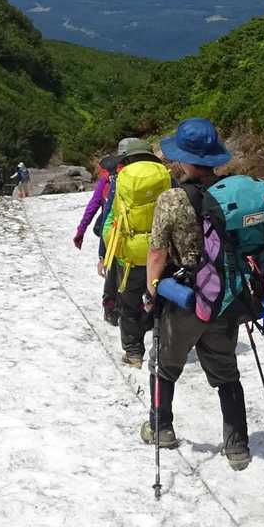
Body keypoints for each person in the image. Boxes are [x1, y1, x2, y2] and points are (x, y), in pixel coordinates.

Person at [141, 117, 252, 471]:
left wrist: (152, 289)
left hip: (186, 297)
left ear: (184, 159)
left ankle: (161, 428)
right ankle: (237, 444)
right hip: (225, 297)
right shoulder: (230, 193)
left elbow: (157, 252)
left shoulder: (172, 199)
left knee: (164, 363)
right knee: (226, 371)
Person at [99, 137, 168, 367]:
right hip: (161, 251)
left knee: (128, 305)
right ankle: (164, 349)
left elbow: (111, 215)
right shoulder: (165, 176)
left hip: (129, 254)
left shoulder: (122, 178)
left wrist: (109, 247)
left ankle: (134, 353)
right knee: (162, 301)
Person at [74, 153, 120, 322]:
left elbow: (93, 207)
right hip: (136, 235)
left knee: (112, 270)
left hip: (112, 234)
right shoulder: (130, 179)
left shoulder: (107, 183)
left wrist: (81, 231)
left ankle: (111, 309)